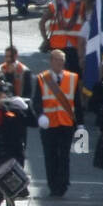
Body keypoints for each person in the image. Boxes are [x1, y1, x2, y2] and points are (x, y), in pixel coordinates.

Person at [32, 48, 82, 197]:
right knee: (50, 155)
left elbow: (77, 102)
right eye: (57, 60)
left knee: (64, 155)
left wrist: (80, 122)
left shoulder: (73, 78)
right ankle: (53, 184)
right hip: (49, 124)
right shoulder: (43, 78)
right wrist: (40, 116)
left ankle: (63, 183)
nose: (60, 63)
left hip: (66, 123)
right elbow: (37, 101)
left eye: (62, 60)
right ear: (51, 61)